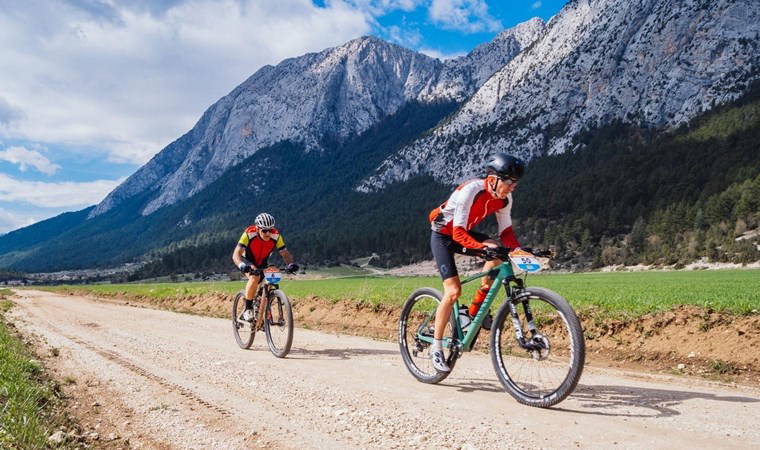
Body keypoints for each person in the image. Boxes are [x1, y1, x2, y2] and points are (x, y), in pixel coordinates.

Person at [427, 153, 525, 372]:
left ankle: (475, 312)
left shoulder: (505, 199)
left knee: (497, 251)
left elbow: (506, 233)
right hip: (444, 235)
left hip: (463, 232)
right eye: (509, 182)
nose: (512, 187)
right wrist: (482, 249)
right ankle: (436, 347)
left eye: (515, 183)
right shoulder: (470, 191)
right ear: (493, 179)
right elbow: (458, 233)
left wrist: (519, 250)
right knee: (453, 292)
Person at [232, 212, 298, 323]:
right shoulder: (249, 233)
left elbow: (285, 253)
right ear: (257, 229)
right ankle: (248, 309)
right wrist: (241, 265)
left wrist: (290, 264)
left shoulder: (276, 235)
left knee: (272, 277)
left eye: (270, 230)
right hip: (247, 260)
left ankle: (263, 303)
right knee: (255, 277)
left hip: (263, 261)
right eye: (264, 230)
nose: (268, 233)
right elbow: (236, 254)